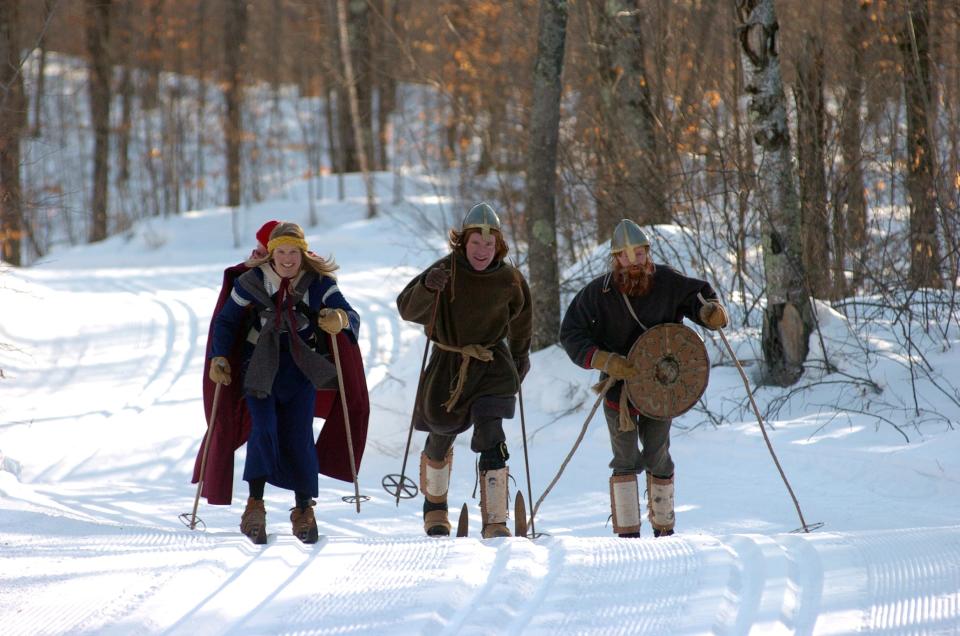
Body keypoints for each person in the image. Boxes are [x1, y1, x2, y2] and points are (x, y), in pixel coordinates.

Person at [199, 221, 368, 544]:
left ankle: (303, 509)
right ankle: (255, 506)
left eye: (294, 252)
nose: (288, 259)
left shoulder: (317, 283)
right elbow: (226, 320)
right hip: (259, 368)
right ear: (271, 254)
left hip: (301, 368)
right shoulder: (251, 282)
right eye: (281, 252)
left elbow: (350, 314)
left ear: (303, 254)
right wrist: (219, 357)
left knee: (299, 435)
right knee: (263, 429)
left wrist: (339, 319)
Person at [558, 219, 727, 538]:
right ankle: (627, 532)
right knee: (625, 458)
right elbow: (572, 332)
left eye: (638, 253)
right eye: (624, 255)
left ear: (647, 252)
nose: (632, 260)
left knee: (657, 454)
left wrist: (710, 313)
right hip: (618, 390)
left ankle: (663, 526)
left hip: (662, 389)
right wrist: (603, 359)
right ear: (615, 258)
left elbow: (699, 298)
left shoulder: (667, 282)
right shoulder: (600, 293)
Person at [396, 202, 532, 538]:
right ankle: (435, 506)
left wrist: (517, 362)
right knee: (441, 434)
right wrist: (429, 286)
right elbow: (407, 309)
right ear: (463, 243)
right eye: (475, 243)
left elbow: (523, 323)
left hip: (491, 365)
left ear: (498, 245)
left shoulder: (509, 279)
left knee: (492, 436)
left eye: (489, 244)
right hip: (450, 366)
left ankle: (495, 518)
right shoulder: (446, 270)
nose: (482, 250)